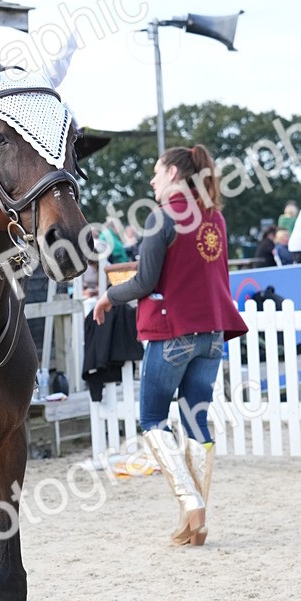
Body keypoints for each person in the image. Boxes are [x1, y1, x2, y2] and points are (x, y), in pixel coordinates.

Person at [93, 145, 247, 546]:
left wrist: (109, 296)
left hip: (174, 332)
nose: (152, 181)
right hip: (213, 333)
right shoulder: (216, 217)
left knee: (152, 420)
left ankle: (190, 501)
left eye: (157, 173)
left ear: (175, 174)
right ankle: (193, 518)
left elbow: (145, 281)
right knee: (197, 420)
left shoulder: (162, 216)